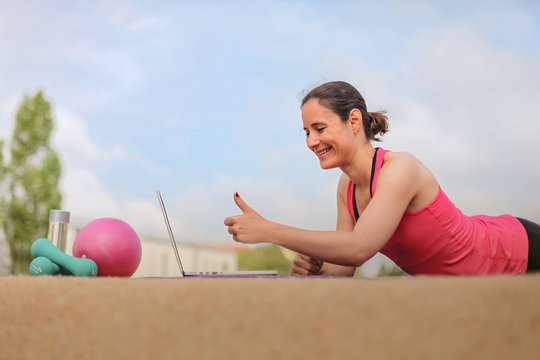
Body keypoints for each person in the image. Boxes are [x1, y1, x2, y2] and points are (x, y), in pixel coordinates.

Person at [224, 81, 540, 276]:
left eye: (319, 129)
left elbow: (359, 247)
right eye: (306, 132)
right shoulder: (346, 187)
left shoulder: (400, 169)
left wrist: (269, 230)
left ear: (354, 121)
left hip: (517, 252)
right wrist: (314, 270)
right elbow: (342, 270)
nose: (310, 142)